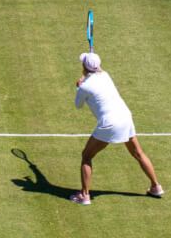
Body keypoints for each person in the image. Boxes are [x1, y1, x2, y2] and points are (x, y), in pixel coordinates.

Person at [70, 52, 163, 205]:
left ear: (83, 67)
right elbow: (95, 72)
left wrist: (79, 87)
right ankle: (155, 186)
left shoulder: (84, 87)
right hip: (125, 117)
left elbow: (78, 105)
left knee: (86, 156)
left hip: (110, 123)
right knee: (138, 153)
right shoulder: (106, 75)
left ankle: (84, 195)